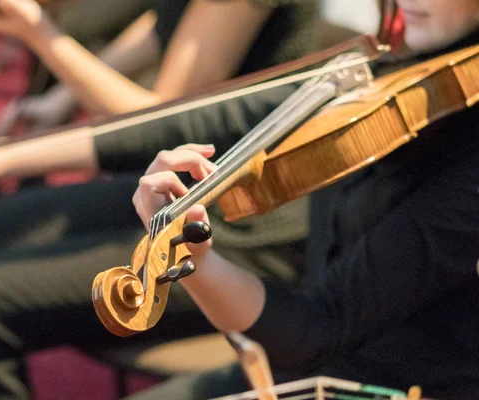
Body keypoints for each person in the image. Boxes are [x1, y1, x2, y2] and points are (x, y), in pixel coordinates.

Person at [0, 1, 320, 399]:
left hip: (243, 226)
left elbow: (161, 118)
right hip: (184, 192)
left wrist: (38, 35)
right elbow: (166, 24)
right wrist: (56, 102)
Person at [130, 0, 479, 398]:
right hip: (293, 365)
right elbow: (213, 116)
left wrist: (199, 261)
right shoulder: (385, 63)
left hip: (384, 387)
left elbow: (320, 327)